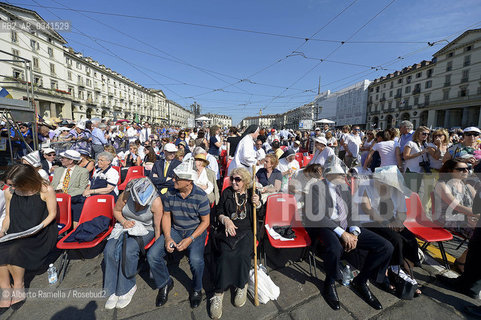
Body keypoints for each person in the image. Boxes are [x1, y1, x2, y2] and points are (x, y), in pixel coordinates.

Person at [305, 156, 393, 311]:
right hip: (327, 226)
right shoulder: (316, 188)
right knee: (335, 248)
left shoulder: (344, 188)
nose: (344, 177)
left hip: (346, 226)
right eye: (340, 175)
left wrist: (354, 232)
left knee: (386, 247)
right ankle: (330, 282)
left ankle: (361, 280)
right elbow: (318, 215)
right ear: (330, 175)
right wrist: (343, 234)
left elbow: (352, 212)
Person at [147, 159, 210, 309]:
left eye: (176, 178)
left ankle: (196, 288)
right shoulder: (171, 193)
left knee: (195, 260)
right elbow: (167, 215)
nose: (172, 179)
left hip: (194, 231)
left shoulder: (200, 196)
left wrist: (190, 238)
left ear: (188, 181)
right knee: (152, 255)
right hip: (176, 229)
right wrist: (168, 236)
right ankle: (165, 282)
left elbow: (205, 222)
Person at [355, 165, 422, 296]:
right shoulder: (366, 186)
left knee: (410, 239)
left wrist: (399, 222)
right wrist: (387, 223)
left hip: (391, 220)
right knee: (395, 240)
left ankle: (407, 270)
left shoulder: (396, 190)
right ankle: (389, 272)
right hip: (370, 220)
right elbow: (368, 209)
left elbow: (402, 212)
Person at [0, 164, 57, 309]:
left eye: (13, 184)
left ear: (25, 181)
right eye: (9, 184)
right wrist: (2, 230)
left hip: (41, 232)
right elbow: (8, 217)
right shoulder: (10, 192)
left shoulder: (45, 190)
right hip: (17, 231)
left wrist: (38, 228)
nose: (11, 187)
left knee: (15, 249)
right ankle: (6, 289)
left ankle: (19, 285)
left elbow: (52, 214)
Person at [210, 168, 264, 319]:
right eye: (233, 179)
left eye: (238, 179)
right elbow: (219, 210)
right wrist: (225, 220)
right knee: (225, 255)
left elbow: (260, 214)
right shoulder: (227, 192)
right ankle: (218, 293)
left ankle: (241, 285)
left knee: (242, 254)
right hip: (229, 228)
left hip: (247, 230)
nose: (234, 181)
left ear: (245, 181)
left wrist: (258, 203)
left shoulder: (253, 192)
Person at [103, 178, 163, 309]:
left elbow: (158, 227)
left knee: (128, 250)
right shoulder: (126, 194)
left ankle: (127, 287)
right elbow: (116, 211)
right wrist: (124, 222)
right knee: (109, 250)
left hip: (146, 229)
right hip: (125, 224)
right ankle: (112, 287)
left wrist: (157, 249)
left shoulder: (156, 201)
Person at [433, 160, 478, 272]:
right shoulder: (442, 185)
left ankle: (464, 260)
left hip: (464, 217)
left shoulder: (466, 185)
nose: (466, 171)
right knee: (479, 234)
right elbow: (456, 207)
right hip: (446, 218)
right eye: (461, 169)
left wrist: (473, 216)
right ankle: (461, 262)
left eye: (467, 168)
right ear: (450, 171)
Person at [51, 150, 90, 227]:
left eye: (63, 158)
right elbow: (53, 185)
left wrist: (65, 195)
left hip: (71, 197)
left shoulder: (83, 171)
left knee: (77, 206)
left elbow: (82, 189)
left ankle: (74, 230)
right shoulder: (58, 170)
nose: (61, 159)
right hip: (55, 195)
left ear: (71, 161)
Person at [403, 126, 432, 192]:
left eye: (428, 134)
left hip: (421, 171)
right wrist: (420, 153)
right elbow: (405, 156)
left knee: (417, 192)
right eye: (424, 133)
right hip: (411, 171)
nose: (426, 135)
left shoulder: (426, 145)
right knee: (410, 192)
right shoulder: (410, 143)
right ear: (418, 133)